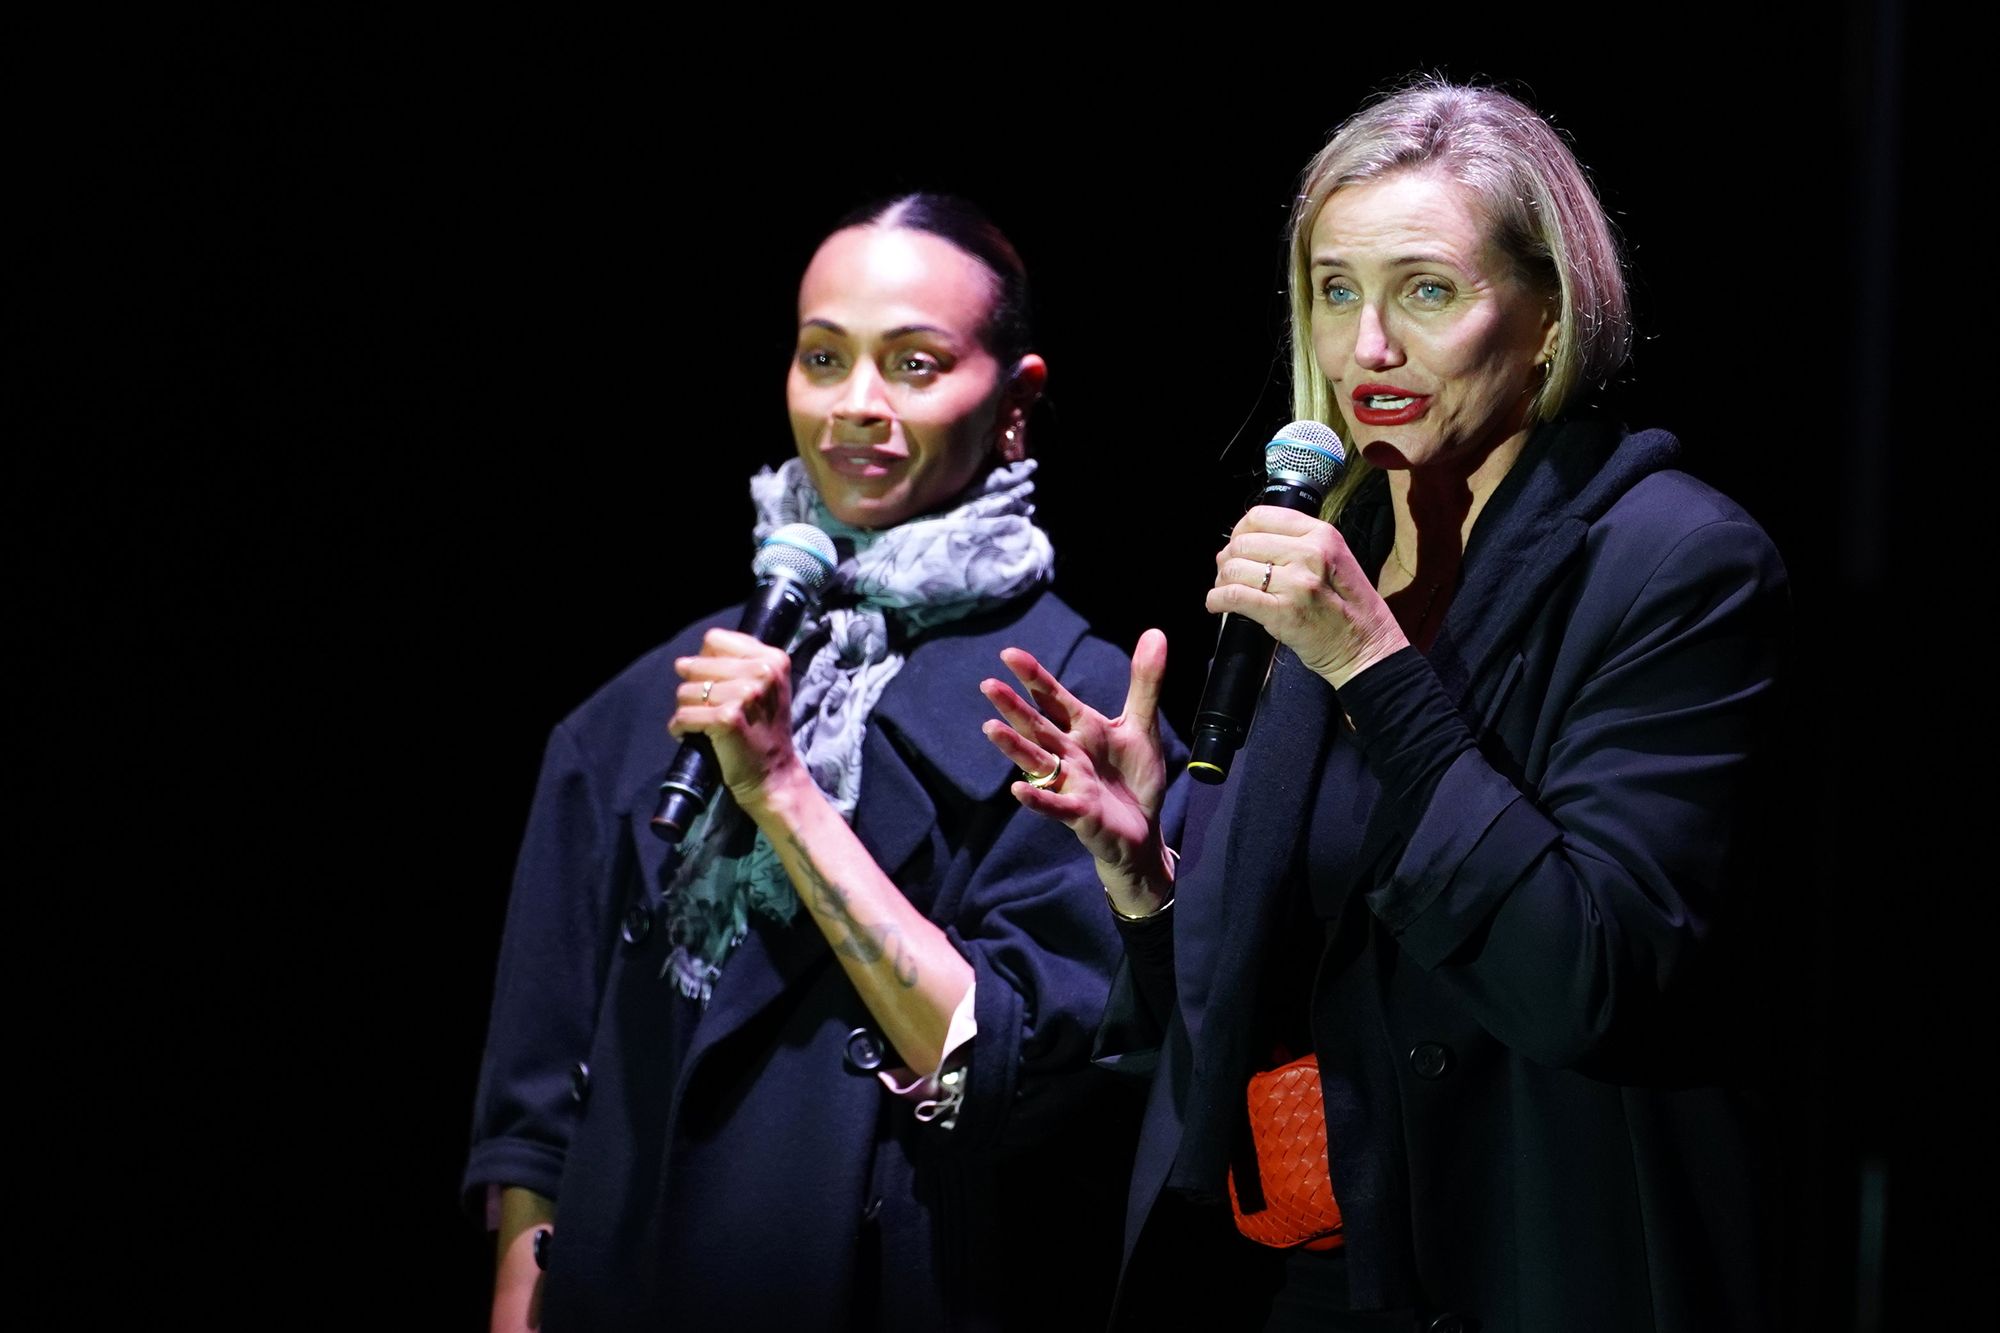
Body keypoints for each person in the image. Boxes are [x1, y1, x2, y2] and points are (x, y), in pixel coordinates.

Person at [981, 80, 1789, 1331]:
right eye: (1332, 291)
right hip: (1288, 1284)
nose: (1364, 348)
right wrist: (1149, 882)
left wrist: (1373, 665)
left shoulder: (1672, 565)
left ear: (1548, 317)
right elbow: (1257, 998)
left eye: (1424, 291)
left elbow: (1588, 976)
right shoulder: (1335, 546)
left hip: (1510, 1264)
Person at [464, 193, 1168, 1331]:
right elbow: (538, 1096)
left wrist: (785, 791)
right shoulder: (646, 708)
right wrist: (520, 1279)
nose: (856, 406)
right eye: (824, 357)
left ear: (1015, 401)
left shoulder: (1066, 710)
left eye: (914, 363)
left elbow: (1020, 1069)